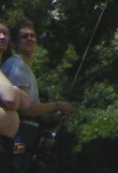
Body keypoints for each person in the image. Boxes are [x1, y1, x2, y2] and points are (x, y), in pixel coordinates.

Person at [2, 21, 73, 173]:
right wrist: (57, 105)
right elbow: (25, 110)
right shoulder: (17, 66)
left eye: (32, 36)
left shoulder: (24, 67)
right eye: (24, 36)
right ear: (14, 43)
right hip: (19, 135)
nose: (29, 39)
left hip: (25, 135)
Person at [0, 21, 29, 173]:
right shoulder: (14, 66)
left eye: (5, 33)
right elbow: (10, 98)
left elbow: (26, 101)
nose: (2, 37)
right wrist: (15, 91)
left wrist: (15, 91)